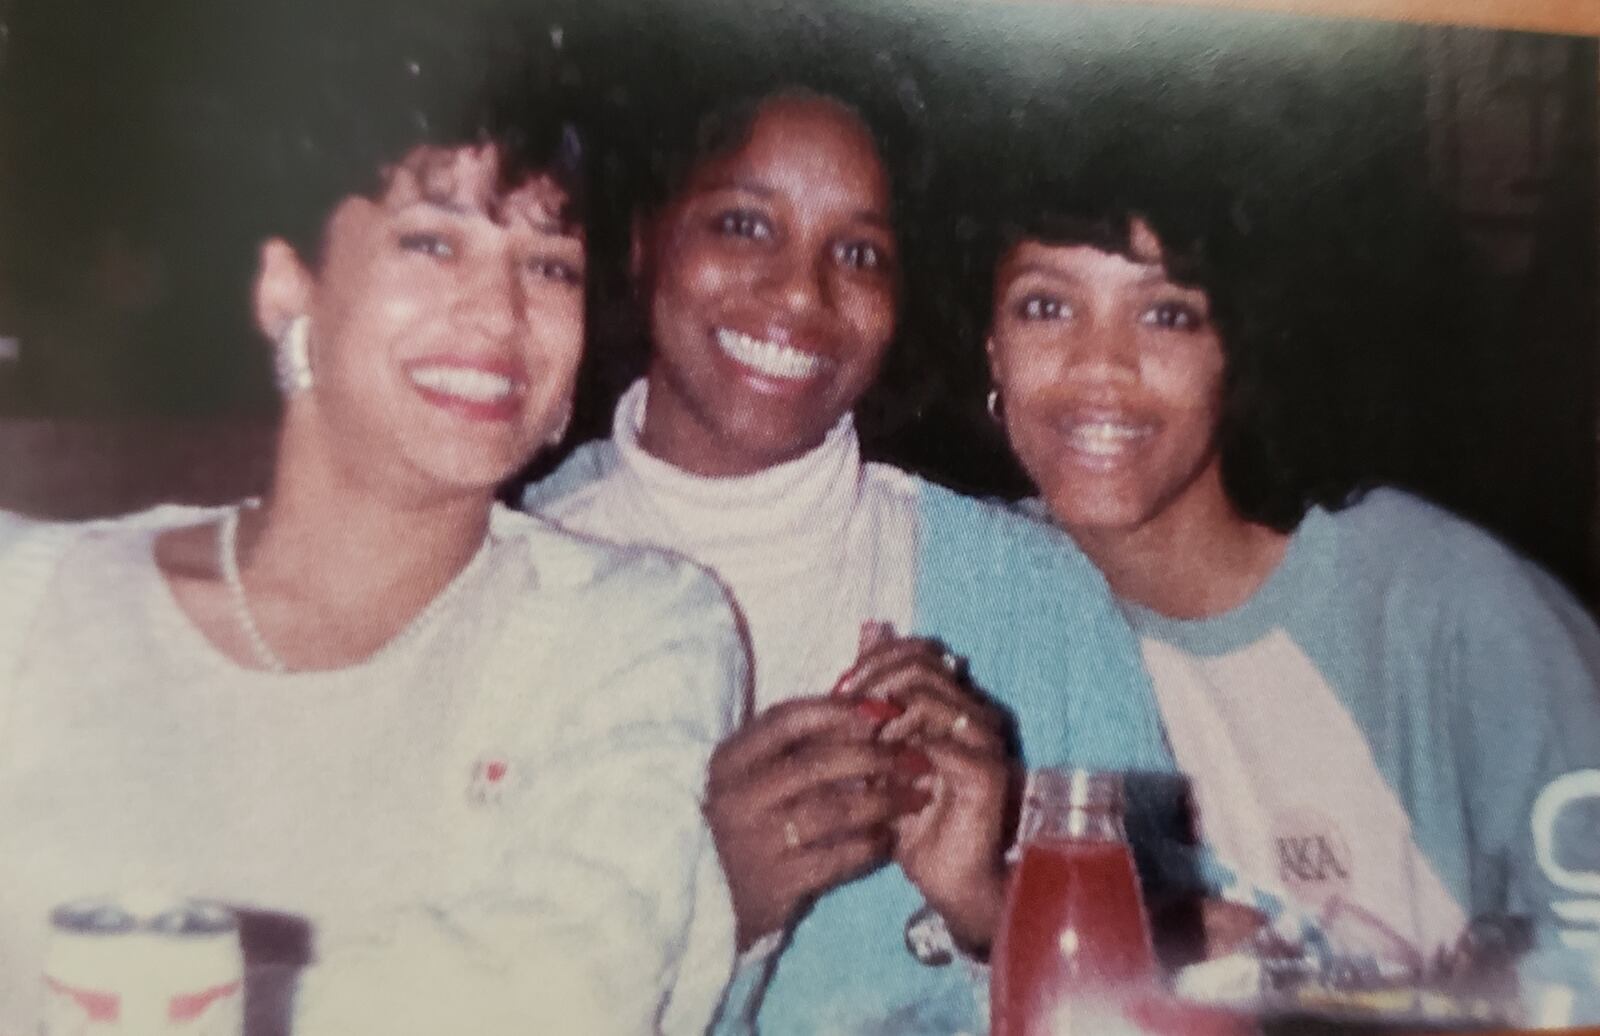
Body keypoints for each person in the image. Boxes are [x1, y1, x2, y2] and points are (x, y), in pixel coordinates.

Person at [0, 19, 742, 1036]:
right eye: (431, 241)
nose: (497, 313)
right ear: (285, 287)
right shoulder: (28, 602)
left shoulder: (636, 631)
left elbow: (560, 997)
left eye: (549, 265)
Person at [525, 85, 1181, 1033]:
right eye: (744, 225)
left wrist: (991, 905)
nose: (801, 292)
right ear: (642, 244)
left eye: (859, 252)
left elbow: (1170, 1002)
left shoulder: (1031, 598)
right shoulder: (509, 579)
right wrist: (720, 911)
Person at [981, 165, 1600, 968]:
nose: (1101, 364)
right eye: (1047, 306)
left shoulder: (1438, 603)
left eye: (1168, 315)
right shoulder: (971, 593)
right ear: (992, 349)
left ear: (1236, 358)